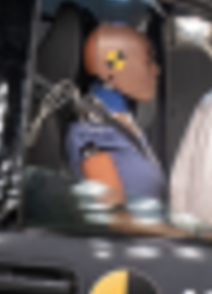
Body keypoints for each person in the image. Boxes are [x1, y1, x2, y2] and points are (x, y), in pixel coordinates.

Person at [68, 24, 165, 209]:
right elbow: (115, 217)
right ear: (114, 68)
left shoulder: (123, 120)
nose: (157, 70)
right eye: (148, 61)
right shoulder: (90, 134)